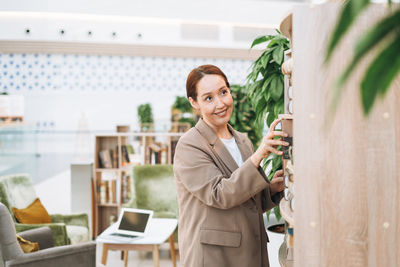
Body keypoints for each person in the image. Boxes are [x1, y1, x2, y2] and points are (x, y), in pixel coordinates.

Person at [173, 64, 288, 267]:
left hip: (250, 250)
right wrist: (259, 155)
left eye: (223, 92)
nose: (220, 103)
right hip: (214, 257)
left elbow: (246, 199)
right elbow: (219, 194)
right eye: (208, 98)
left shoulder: (243, 141)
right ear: (194, 102)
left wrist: (271, 190)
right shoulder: (189, 145)